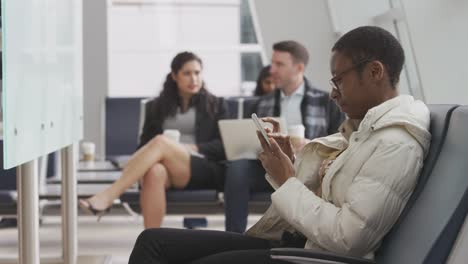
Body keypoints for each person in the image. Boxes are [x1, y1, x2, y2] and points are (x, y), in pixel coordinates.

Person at [128, 26, 431, 263]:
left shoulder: (395, 143)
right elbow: (328, 198)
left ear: (375, 72)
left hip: (311, 255)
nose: (334, 93)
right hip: (298, 238)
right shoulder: (364, 131)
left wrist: (287, 180)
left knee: (171, 254)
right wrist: (290, 166)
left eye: (339, 80)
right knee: (151, 241)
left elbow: (348, 238)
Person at [79, 51, 228, 228]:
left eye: (197, 73)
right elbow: (144, 145)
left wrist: (191, 147)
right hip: (169, 170)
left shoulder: (217, 105)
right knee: (154, 172)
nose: (193, 79)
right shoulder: (157, 107)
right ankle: (152, 242)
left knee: (160, 142)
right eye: (187, 73)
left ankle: (108, 196)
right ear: (174, 76)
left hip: (204, 167)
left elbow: (224, 146)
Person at [224, 40, 343, 233]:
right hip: (270, 166)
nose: (272, 70)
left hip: (310, 168)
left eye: (279, 64)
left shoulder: (327, 102)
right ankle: (232, 235)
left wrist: (309, 145)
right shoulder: (261, 103)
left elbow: (340, 141)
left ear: (299, 67)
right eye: (272, 63)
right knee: (238, 168)